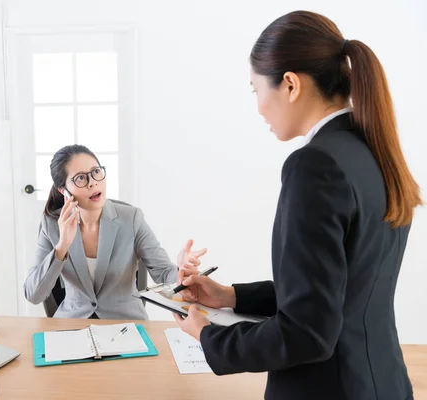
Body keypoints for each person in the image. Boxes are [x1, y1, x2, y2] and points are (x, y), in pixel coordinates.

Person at [173, 10, 420, 400]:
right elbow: (336, 292)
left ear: (290, 84)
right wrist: (229, 296)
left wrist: (209, 336)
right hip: (384, 382)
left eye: (256, 91)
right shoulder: (373, 150)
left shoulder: (314, 164)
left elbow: (306, 334)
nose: (258, 107)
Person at [24, 144, 206, 320]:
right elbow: (33, 295)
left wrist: (182, 272)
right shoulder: (52, 224)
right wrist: (62, 247)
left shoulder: (131, 218)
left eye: (96, 172)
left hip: (126, 323)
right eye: (80, 178)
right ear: (63, 189)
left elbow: (164, 273)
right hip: (74, 324)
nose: (93, 183)